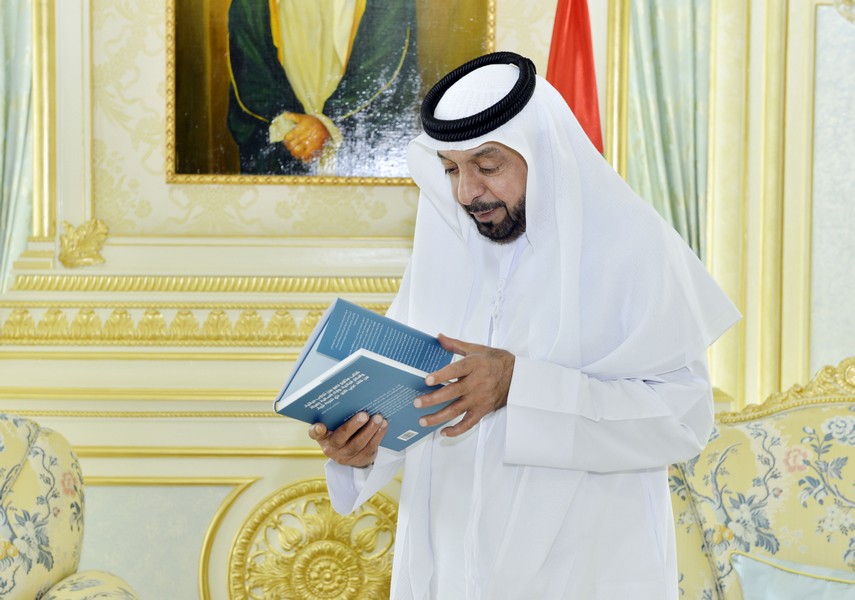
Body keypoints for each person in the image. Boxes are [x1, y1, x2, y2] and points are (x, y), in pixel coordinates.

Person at [308, 51, 740, 599]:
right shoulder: (446, 250)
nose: (467, 193)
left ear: (545, 155)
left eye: (487, 167)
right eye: (451, 170)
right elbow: (412, 399)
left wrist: (519, 384)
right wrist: (363, 448)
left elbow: (681, 420)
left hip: (584, 572)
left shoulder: (630, 248)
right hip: (450, 569)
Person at [227, 0, 421, 176]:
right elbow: (250, 70)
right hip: (285, 144)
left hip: (359, 150)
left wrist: (329, 123)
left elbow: (384, 62)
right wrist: (293, 126)